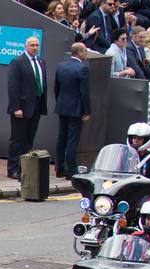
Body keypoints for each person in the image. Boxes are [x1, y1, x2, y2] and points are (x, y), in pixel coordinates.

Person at [6, 36, 48, 179]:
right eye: (32, 45)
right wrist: (15, 107)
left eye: (37, 45)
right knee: (17, 139)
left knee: (29, 139)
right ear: (25, 46)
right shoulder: (17, 62)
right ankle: (12, 169)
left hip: (36, 106)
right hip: (22, 108)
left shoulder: (41, 61)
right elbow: (13, 87)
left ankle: (24, 167)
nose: (35, 48)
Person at [53, 43, 92, 179]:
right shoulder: (82, 69)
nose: (86, 53)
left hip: (62, 106)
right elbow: (84, 93)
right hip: (76, 108)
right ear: (79, 53)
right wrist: (87, 111)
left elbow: (56, 88)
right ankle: (70, 170)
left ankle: (59, 168)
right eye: (85, 50)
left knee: (61, 138)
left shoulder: (61, 66)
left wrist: (60, 102)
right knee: (72, 139)